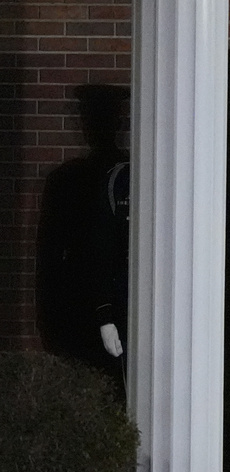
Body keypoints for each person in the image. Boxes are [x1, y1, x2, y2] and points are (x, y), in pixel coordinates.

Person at [36, 84, 130, 402]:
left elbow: (48, 260)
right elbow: (49, 257)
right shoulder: (68, 181)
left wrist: (49, 320)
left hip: (97, 302)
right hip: (85, 304)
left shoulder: (70, 179)